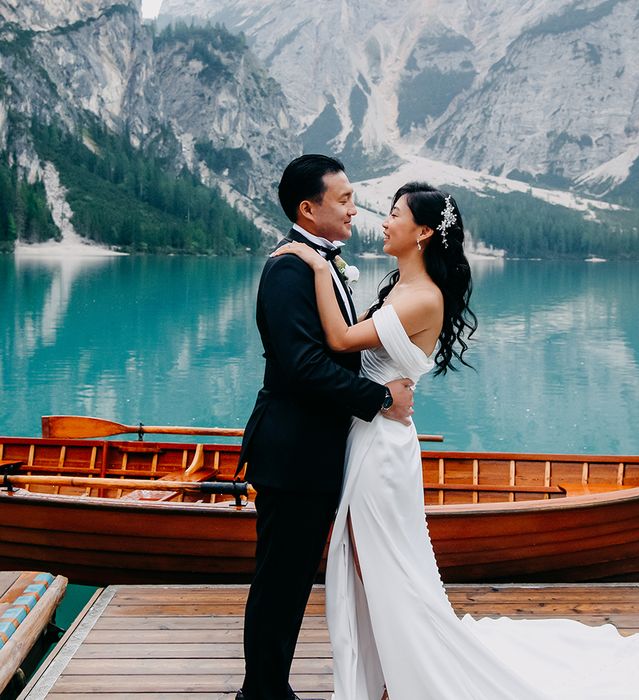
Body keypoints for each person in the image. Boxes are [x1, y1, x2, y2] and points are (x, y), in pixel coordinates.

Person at [271, 182, 639, 700]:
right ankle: (390, 670)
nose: (383, 222)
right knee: (372, 561)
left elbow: (341, 341)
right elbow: (348, 351)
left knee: (381, 562)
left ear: (424, 232)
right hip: (371, 437)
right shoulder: (398, 290)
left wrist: (318, 267)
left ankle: (407, 673)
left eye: (394, 214)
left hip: (381, 450)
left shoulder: (423, 298)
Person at [236, 154, 414, 700]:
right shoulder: (290, 266)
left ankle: (269, 687)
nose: (354, 210)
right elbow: (301, 365)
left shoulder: (318, 260)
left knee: (288, 579)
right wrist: (380, 397)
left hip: (311, 449)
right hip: (292, 451)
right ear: (308, 209)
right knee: (279, 580)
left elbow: (333, 350)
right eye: (343, 200)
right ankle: (261, 692)